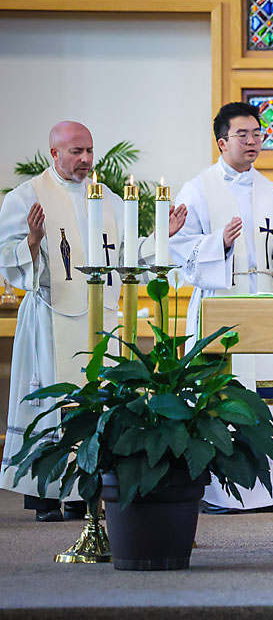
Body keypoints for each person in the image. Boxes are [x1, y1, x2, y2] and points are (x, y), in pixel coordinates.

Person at [0, 121, 186, 521]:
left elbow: (126, 254)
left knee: (95, 398)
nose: (85, 160)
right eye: (75, 152)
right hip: (52, 322)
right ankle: (47, 495)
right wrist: (31, 242)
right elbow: (8, 261)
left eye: (89, 151)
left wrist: (161, 238)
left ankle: (88, 490)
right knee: (52, 400)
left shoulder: (109, 200)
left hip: (98, 321)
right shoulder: (25, 198)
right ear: (54, 153)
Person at [170, 102, 273, 514]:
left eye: (258, 134)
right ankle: (217, 494)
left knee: (266, 396)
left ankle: (262, 492)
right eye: (243, 135)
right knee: (218, 399)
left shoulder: (270, 190)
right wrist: (221, 245)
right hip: (219, 305)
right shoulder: (198, 188)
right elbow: (179, 253)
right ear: (222, 141)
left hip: (262, 304)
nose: (252, 142)